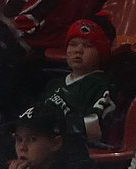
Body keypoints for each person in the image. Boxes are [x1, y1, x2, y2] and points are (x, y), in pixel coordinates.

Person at [37, 17, 118, 146]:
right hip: (43, 145)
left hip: (75, 151)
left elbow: (95, 129)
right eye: (73, 44)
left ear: (101, 53)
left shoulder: (101, 86)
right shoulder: (54, 84)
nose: (78, 50)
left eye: (87, 45)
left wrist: (56, 128)